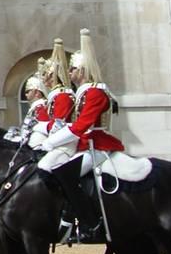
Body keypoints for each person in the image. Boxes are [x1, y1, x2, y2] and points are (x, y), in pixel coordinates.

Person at [32, 29, 124, 232]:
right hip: (85, 143)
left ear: (82, 71)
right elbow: (68, 124)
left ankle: (87, 220)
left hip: (98, 144)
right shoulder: (85, 93)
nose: (69, 73)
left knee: (66, 174)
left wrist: (50, 142)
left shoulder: (95, 93)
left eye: (73, 69)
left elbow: (82, 126)